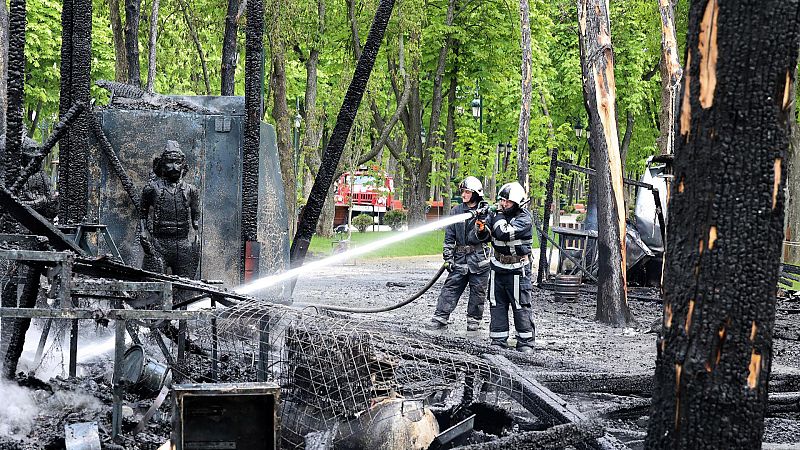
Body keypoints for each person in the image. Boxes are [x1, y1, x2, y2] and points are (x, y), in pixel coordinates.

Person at [475, 181, 535, 353]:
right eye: (502, 200)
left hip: (517, 269)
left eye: (507, 201)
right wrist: (481, 226)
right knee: (496, 304)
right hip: (497, 267)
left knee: (520, 305)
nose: (503, 203)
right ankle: (498, 340)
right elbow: (486, 236)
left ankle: (525, 342)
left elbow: (503, 233)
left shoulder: (524, 219)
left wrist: (497, 215)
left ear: (518, 203)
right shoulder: (497, 216)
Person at [426, 176, 490, 331]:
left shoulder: (485, 212)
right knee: (450, 288)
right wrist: (448, 257)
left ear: (475, 193)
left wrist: (482, 225)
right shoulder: (456, 211)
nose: (463, 195)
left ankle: (473, 321)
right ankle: (440, 317)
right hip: (460, 259)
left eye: (467, 192)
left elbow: (489, 236)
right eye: (463, 191)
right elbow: (449, 237)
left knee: (478, 292)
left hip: (479, 260)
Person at [139, 140, 200, 279]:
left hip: (183, 244)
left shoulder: (191, 190)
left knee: (186, 285)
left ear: (183, 164)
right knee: (155, 283)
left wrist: (196, 234)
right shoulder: (152, 188)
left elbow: (195, 216)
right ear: (162, 164)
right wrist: (143, 232)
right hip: (159, 244)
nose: (174, 167)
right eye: (169, 162)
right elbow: (143, 213)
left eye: (177, 162)